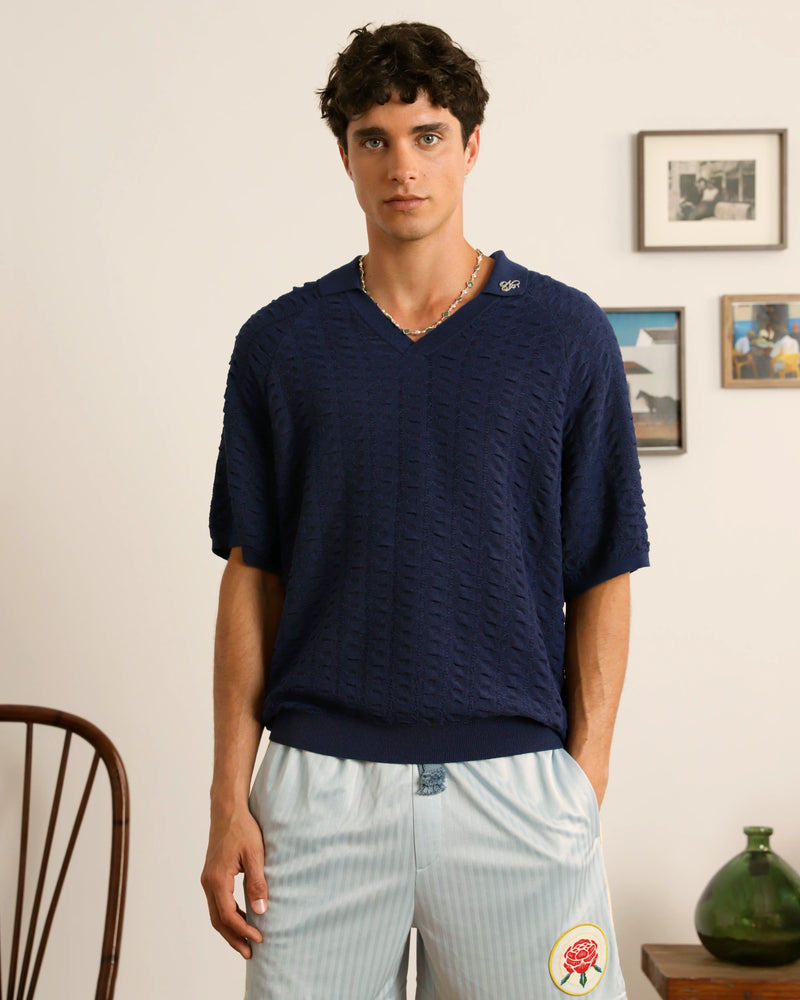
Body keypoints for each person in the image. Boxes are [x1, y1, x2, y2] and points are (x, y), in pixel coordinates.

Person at [201, 21, 649, 1000]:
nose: (402, 165)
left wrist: (583, 782)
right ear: (345, 155)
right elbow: (252, 574)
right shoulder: (280, 343)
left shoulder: (564, 334)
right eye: (374, 138)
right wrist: (228, 794)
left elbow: (603, 569)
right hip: (317, 793)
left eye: (428, 135)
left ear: (471, 145)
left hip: (517, 790)